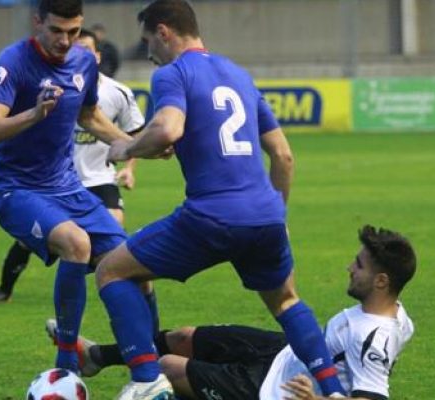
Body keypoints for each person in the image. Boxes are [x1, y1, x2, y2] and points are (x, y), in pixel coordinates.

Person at [93, 1, 346, 398]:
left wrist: (126, 148)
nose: (148, 53)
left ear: (164, 32)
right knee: (286, 301)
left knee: (111, 270)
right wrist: (276, 214)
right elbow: (283, 155)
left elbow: (167, 129)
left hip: (211, 215)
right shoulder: (239, 75)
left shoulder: (173, 74)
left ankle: (147, 381)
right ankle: (333, 391)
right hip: (264, 215)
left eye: (147, 42)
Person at [54, 225, 416, 400]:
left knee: (165, 370)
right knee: (184, 337)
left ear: (381, 281)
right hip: (286, 351)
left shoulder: (374, 339)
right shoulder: (400, 318)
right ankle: (96, 356)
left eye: (359, 266)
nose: (349, 269)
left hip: (274, 388)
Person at [0, 0, 134, 374]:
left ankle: (147, 366)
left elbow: (89, 115)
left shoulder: (84, 62)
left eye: (74, 31)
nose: (65, 41)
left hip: (67, 188)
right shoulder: (13, 61)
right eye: (56, 31)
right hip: (16, 189)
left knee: (130, 261)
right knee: (76, 244)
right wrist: (33, 113)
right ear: (37, 23)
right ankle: (67, 362)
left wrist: (131, 145)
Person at [0, 28, 149, 309]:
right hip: (54, 181)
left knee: (116, 242)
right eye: (63, 35)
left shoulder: (117, 92)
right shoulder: (29, 67)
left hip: (98, 177)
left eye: (81, 42)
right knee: (44, 242)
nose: (70, 45)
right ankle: (6, 288)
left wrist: (135, 157)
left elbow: (128, 132)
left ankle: (140, 334)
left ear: (96, 55)